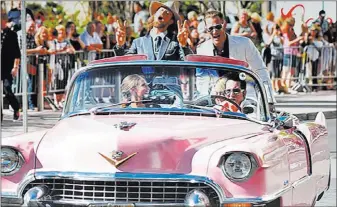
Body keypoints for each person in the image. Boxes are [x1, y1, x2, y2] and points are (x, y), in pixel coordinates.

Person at [196, 10, 276, 105]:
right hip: (217, 99)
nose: (214, 31)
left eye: (218, 27)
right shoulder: (202, 49)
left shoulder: (244, 43)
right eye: (210, 28)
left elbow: (260, 70)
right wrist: (204, 101)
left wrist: (268, 99)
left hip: (243, 98)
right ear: (206, 28)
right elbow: (202, 80)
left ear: (224, 24)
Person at [113, 1, 192, 60]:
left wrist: (183, 46)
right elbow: (125, 63)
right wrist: (119, 45)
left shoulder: (176, 41)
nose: (163, 12)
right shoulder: (138, 42)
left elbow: (188, 63)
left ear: (171, 21)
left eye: (167, 13)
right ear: (154, 15)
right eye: (161, 10)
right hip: (144, 82)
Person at [1, 17, 21, 121]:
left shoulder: (12, 35)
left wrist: (15, 67)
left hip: (7, 67)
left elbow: (17, 53)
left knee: (7, 90)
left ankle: (16, 107)